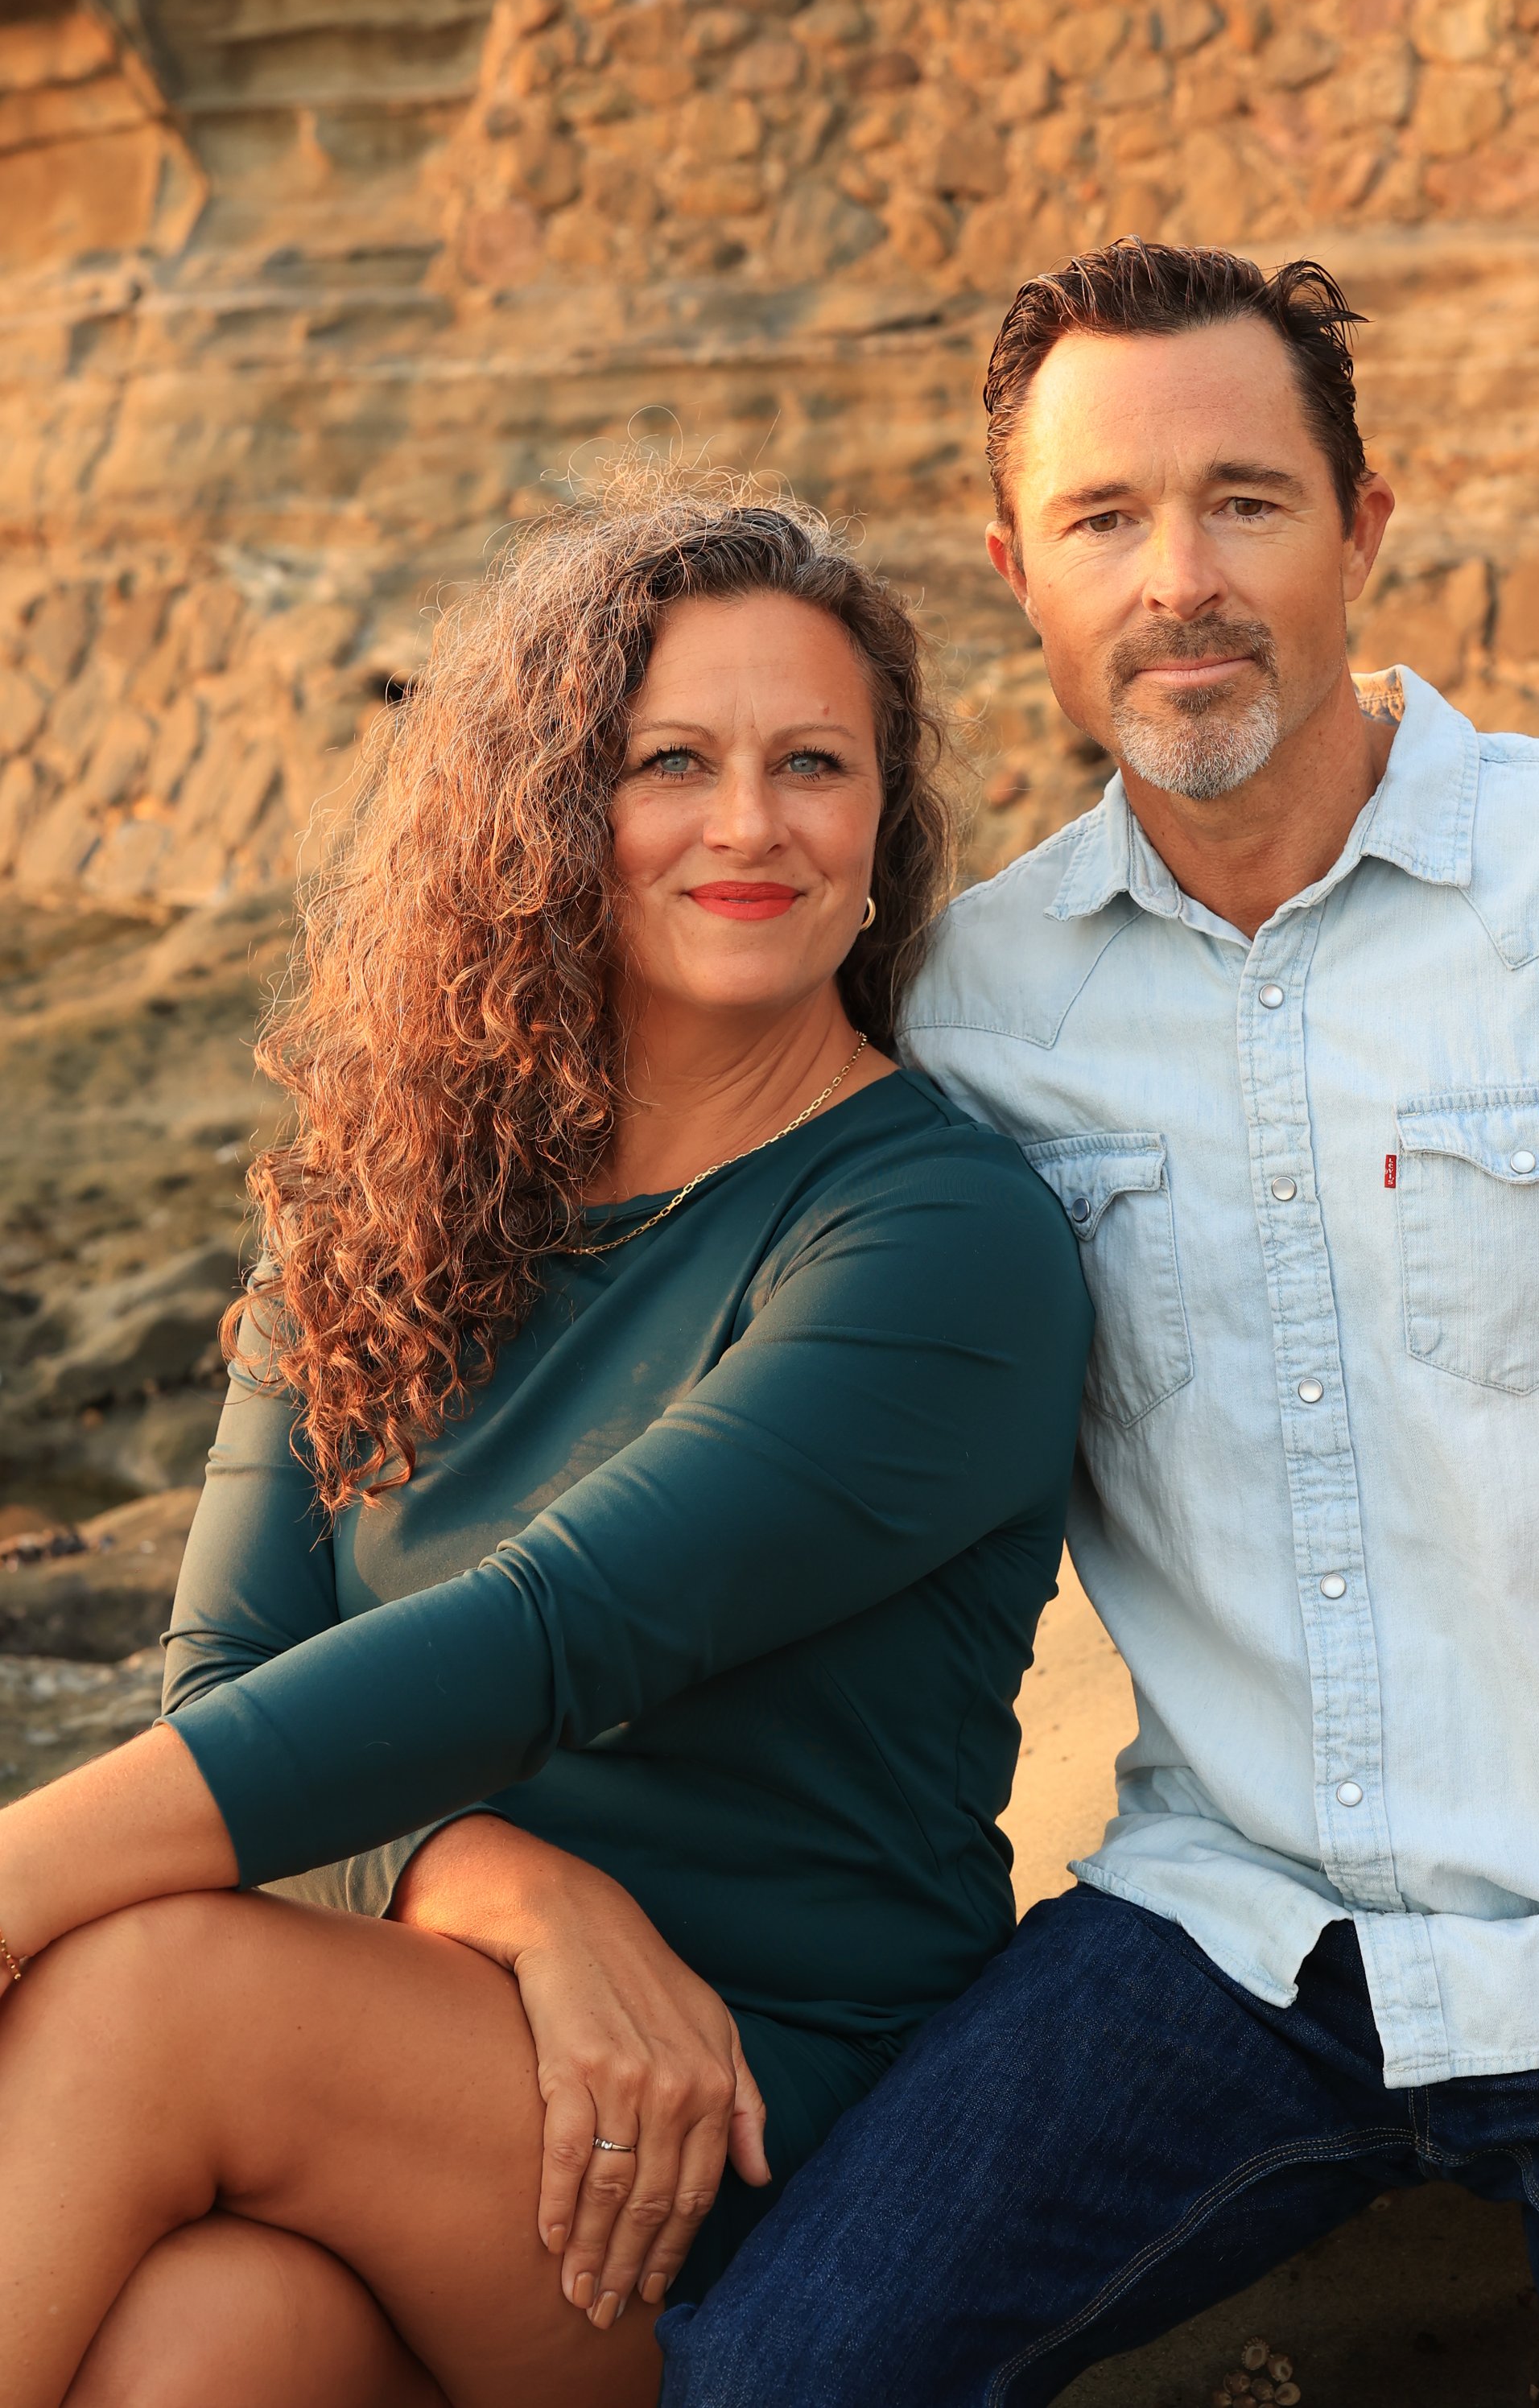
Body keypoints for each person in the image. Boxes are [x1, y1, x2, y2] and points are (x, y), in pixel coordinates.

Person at [650, 238, 1539, 2408]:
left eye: (1244, 501)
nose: (1177, 578)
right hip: (1216, 1934)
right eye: (1106, 518)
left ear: (1363, 526)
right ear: (1020, 571)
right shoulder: (978, 1005)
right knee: (766, 2369)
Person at [0, 471, 1091, 2408]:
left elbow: (546, 1634)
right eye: (668, 759)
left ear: (882, 830)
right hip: (419, 2066)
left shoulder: (938, 1241)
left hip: (730, 2132)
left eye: (811, 766)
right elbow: (222, 1679)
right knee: (208, 2343)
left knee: (141, 1987)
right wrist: (503, 1889)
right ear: (548, 814)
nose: (744, 824)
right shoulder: (379, 1206)